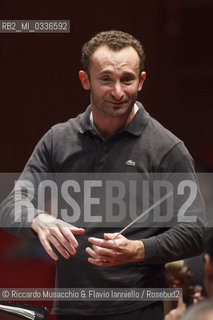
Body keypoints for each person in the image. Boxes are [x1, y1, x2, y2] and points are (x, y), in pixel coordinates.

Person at [0, 30, 205, 320]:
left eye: (127, 79)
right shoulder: (58, 140)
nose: (118, 92)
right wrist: (37, 219)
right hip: (71, 308)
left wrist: (138, 249)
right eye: (106, 79)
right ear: (86, 80)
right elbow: (10, 207)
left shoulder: (166, 147)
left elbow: (195, 231)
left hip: (138, 309)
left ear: (141, 81)